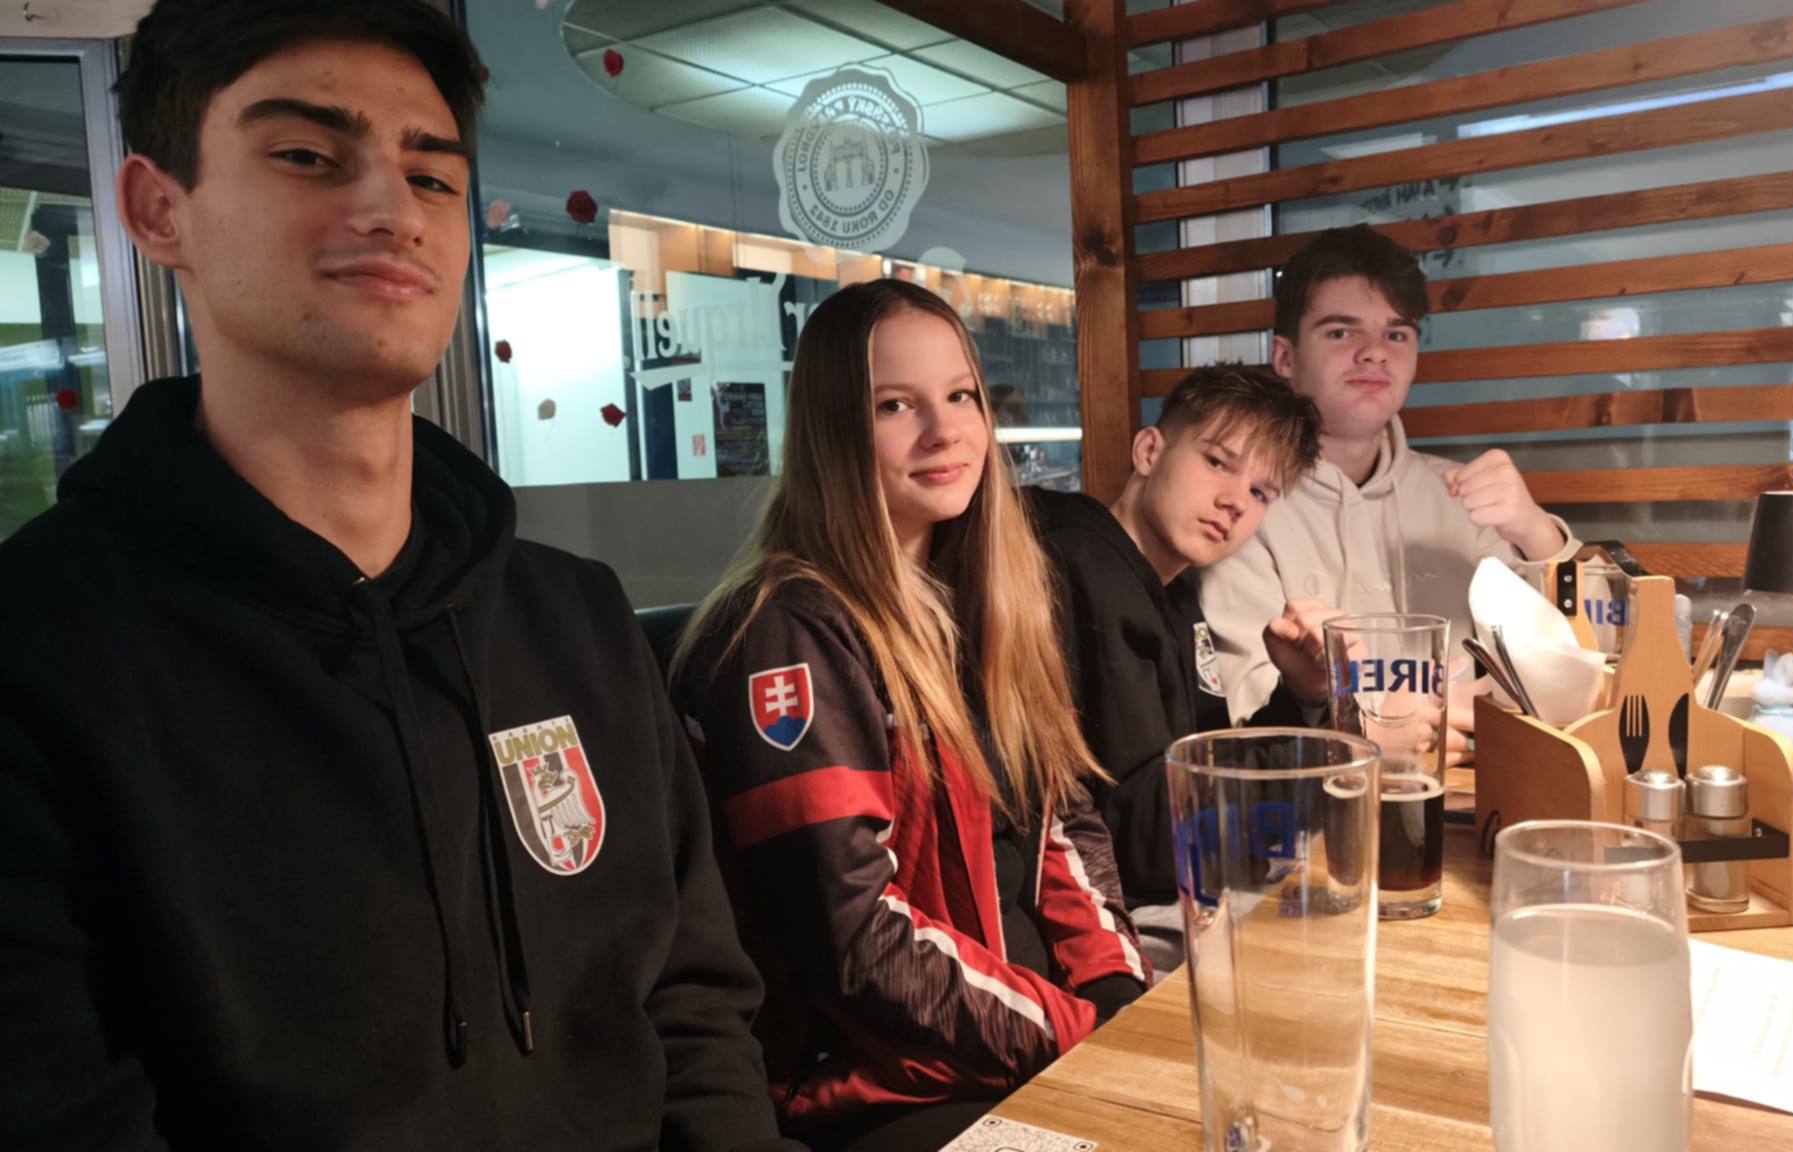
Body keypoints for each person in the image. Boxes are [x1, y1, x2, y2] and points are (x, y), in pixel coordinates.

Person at [0, 3, 793, 1149]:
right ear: (157, 209)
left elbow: (691, 1003)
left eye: (431, 178)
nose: (391, 210)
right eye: (307, 156)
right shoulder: (43, 652)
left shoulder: (574, 618)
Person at [674, 279, 1149, 1152]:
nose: (944, 431)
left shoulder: (988, 595)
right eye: (895, 405)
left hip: (1033, 1047)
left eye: (960, 395)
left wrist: (1118, 994)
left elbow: (1063, 821)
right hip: (887, 1092)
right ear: (833, 430)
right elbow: (852, 937)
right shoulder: (787, 629)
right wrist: (1079, 1033)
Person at [1201, 225, 1580, 743]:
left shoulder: (1463, 494)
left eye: (1396, 335)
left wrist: (1536, 531)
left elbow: (1574, 664)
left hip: (1479, 781)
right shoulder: (1242, 506)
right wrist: (1384, 725)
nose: (1375, 353)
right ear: (1285, 358)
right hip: (1326, 789)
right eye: (1342, 333)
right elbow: (1246, 710)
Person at [1026, 365, 1320, 933]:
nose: (1235, 501)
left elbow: (1203, 768)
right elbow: (1150, 841)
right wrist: (1331, 758)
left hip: (1167, 899)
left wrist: (1302, 697)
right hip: (1098, 924)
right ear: (1148, 451)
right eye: (1217, 462)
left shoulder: (1177, 598)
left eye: (1260, 492)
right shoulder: (1082, 566)